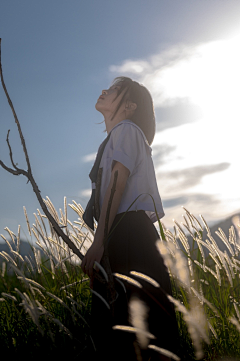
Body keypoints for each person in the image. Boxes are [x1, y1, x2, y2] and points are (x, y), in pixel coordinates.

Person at [81, 77, 180, 361]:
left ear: (129, 105)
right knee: (138, 329)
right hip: (124, 235)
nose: (103, 90)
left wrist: (99, 243)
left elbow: (117, 182)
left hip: (128, 236)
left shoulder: (126, 129)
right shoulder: (120, 135)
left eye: (112, 90)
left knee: (128, 331)